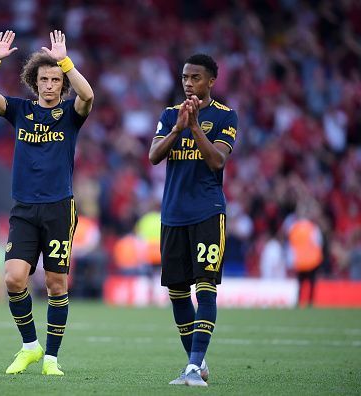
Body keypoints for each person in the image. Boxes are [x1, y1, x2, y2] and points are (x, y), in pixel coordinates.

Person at [0, 29, 94, 376]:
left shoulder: (72, 114)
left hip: (59, 207)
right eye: (44, 79)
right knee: (13, 278)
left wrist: (65, 61)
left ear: (62, 82)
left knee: (56, 285)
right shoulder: (20, 111)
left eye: (56, 79)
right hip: (24, 208)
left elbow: (88, 94)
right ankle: (30, 346)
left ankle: (52, 360)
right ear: (34, 81)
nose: (50, 85)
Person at [148, 54, 238, 387]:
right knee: (177, 292)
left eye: (196, 77)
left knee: (206, 288)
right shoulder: (170, 114)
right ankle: (195, 364)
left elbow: (217, 161)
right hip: (173, 214)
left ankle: (193, 364)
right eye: (185, 77)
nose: (188, 82)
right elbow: (154, 156)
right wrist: (177, 129)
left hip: (207, 213)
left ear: (211, 81)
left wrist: (196, 126)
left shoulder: (226, 116)